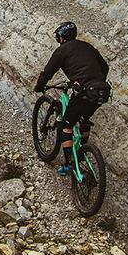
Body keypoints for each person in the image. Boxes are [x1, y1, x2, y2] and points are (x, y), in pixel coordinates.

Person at [33, 22, 110, 173]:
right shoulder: (88, 47)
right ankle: (82, 150)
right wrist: (94, 79)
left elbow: (48, 72)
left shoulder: (62, 51)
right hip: (101, 90)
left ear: (61, 38)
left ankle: (68, 164)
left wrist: (39, 86)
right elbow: (105, 67)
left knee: (66, 126)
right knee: (84, 118)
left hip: (85, 90)